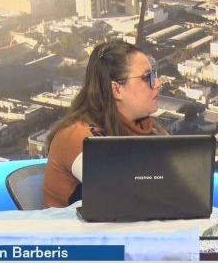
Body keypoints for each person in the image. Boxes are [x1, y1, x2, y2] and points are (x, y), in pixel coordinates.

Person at [43, 40, 167, 208]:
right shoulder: (76, 137)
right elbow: (127, 198)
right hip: (77, 225)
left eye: (154, 75)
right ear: (116, 89)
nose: (157, 83)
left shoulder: (151, 130)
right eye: (147, 78)